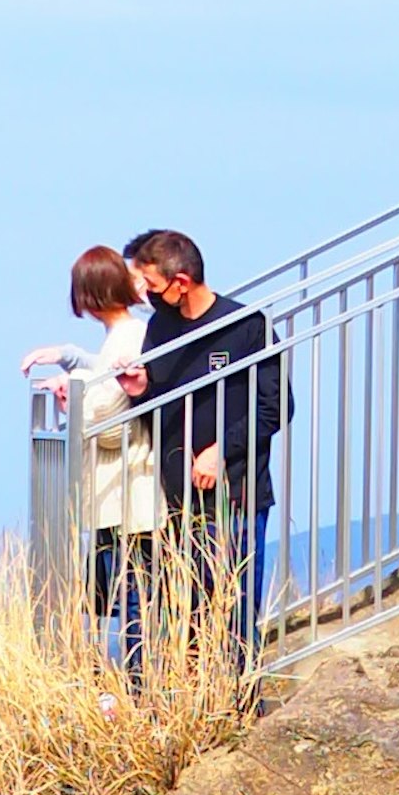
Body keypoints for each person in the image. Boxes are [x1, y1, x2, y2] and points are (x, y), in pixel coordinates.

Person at [127, 226, 286, 638]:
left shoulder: (246, 327)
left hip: (237, 496)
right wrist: (140, 393)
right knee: (185, 617)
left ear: (181, 282)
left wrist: (221, 451)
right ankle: (197, 701)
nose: (147, 295)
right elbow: (157, 406)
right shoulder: (160, 330)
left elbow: (276, 406)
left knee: (234, 609)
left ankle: (242, 699)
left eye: (152, 285)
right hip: (176, 499)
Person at [32, 244, 162, 659]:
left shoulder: (130, 336)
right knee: (125, 594)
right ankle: (133, 679)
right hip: (124, 488)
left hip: (129, 487)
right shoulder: (128, 333)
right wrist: (73, 362)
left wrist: (74, 399)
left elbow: (112, 420)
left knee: (131, 596)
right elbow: (107, 379)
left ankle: (137, 682)